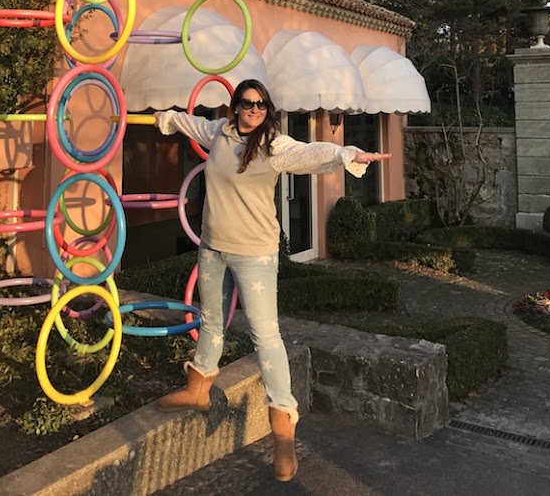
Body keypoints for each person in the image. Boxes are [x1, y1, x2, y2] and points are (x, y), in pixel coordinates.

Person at [153, 79, 391, 483]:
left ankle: (283, 432)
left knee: (266, 338)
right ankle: (198, 390)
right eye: (247, 103)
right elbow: (188, 123)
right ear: (235, 106)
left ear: (268, 109)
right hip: (212, 247)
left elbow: (310, 153)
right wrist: (166, 118)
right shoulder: (219, 132)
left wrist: (346, 153)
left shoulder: (273, 145)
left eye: (261, 104)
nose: (254, 109)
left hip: (254, 255)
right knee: (211, 320)